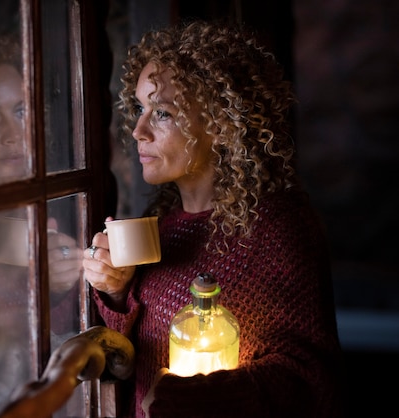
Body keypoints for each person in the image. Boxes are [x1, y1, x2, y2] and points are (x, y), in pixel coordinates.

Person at [82, 19, 345, 418]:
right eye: (139, 108)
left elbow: (308, 382)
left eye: (163, 113)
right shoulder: (162, 225)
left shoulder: (278, 229)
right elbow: (132, 358)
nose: (138, 130)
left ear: (221, 123)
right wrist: (117, 292)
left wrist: (183, 400)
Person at [0, 33, 83, 415]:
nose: (14, 135)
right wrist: (43, 287)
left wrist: (57, 286)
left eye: (22, 112)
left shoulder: (56, 198)